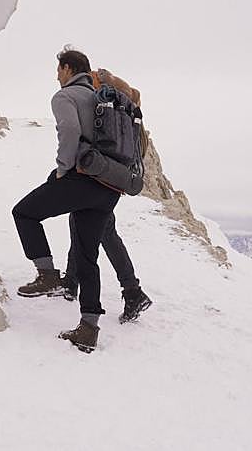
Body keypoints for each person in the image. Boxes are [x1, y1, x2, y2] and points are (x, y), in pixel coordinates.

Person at [12, 48, 121, 353]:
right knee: (88, 256)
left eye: (58, 69)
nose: (56, 75)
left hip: (83, 177)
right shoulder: (102, 98)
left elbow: (70, 130)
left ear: (68, 68)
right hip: (110, 186)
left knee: (24, 213)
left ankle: (47, 276)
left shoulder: (65, 96)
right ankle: (89, 329)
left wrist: (62, 169)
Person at [58, 68, 153, 323]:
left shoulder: (100, 89)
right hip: (113, 171)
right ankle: (71, 281)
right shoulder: (121, 101)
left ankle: (132, 291)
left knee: (103, 230)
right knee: (82, 221)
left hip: (101, 171)